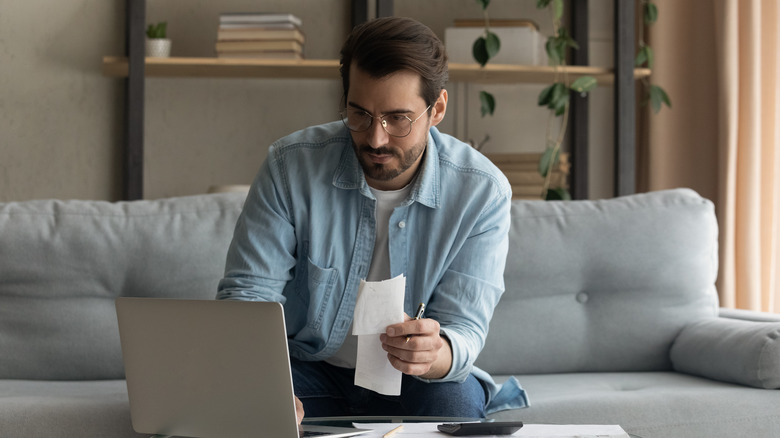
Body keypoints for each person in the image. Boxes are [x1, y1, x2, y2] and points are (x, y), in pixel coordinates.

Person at [217, 16, 527, 422]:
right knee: (237, 406)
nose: (376, 138)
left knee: (456, 406)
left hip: (416, 382)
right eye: (359, 114)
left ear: (437, 110)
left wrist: (435, 353)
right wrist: (259, 385)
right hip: (309, 370)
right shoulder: (289, 166)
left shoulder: (482, 192)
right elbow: (248, 296)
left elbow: (463, 329)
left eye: (398, 118)